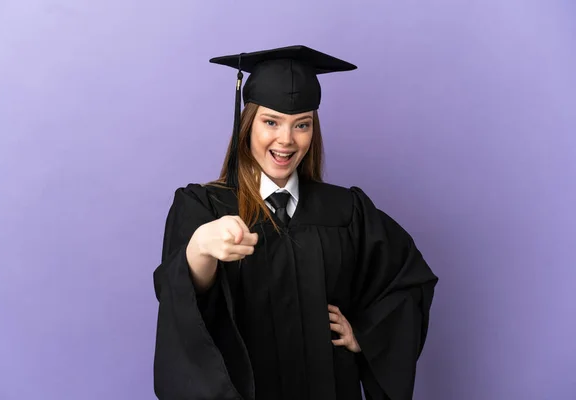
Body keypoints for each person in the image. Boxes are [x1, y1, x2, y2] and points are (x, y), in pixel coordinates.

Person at [152, 45, 438, 400]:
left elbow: (407, 279)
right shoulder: (205, 207)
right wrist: (201, 249)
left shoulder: (346, 211)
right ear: (248, 125)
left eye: (301, 124)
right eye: (271, 122)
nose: (286, 140)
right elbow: (180, 297)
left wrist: (365, 334)